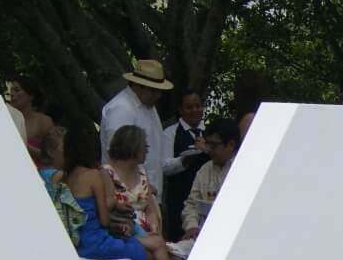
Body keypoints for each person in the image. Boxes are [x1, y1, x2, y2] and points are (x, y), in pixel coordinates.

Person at [62, 124, 172, 260]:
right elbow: (104, 221)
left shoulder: (67, 177)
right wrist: (113, 202)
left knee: (153, 249)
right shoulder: (94, 175)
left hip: (79, 244)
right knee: (153, 255)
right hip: (97, 245)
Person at [100, 57, 173, 199]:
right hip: (127, 196)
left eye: (159, 91)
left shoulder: (149, 108)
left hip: (148, 195)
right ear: (138, 86)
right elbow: (116, 157)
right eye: (153, 91)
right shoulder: (121, 109)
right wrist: (139, 186)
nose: (158, 96)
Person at [179, 117, 240, 242]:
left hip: (233, 237)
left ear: (231, 145)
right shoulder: (205, 170)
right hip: (201, 235)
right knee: (173, 255)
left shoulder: (244, 170)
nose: (209, 149)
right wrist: (192, 227)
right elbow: (191, 204)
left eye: (214, 145)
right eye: (208, 144)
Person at [161, 90, 208, 243]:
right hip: (179, 197)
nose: (195, 111)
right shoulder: (170, 133)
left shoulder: (210, 132)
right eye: (189, 107)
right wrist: (183, 161)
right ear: (181, 110)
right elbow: (165, 166)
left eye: (198, 106)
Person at [5, 74, 58, 158]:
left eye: (17, 90)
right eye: (11, 90)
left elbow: (53, 156)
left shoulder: (43, 121)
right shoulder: (6, 119)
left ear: (31, 95)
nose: (12, 94)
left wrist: (27, 147)